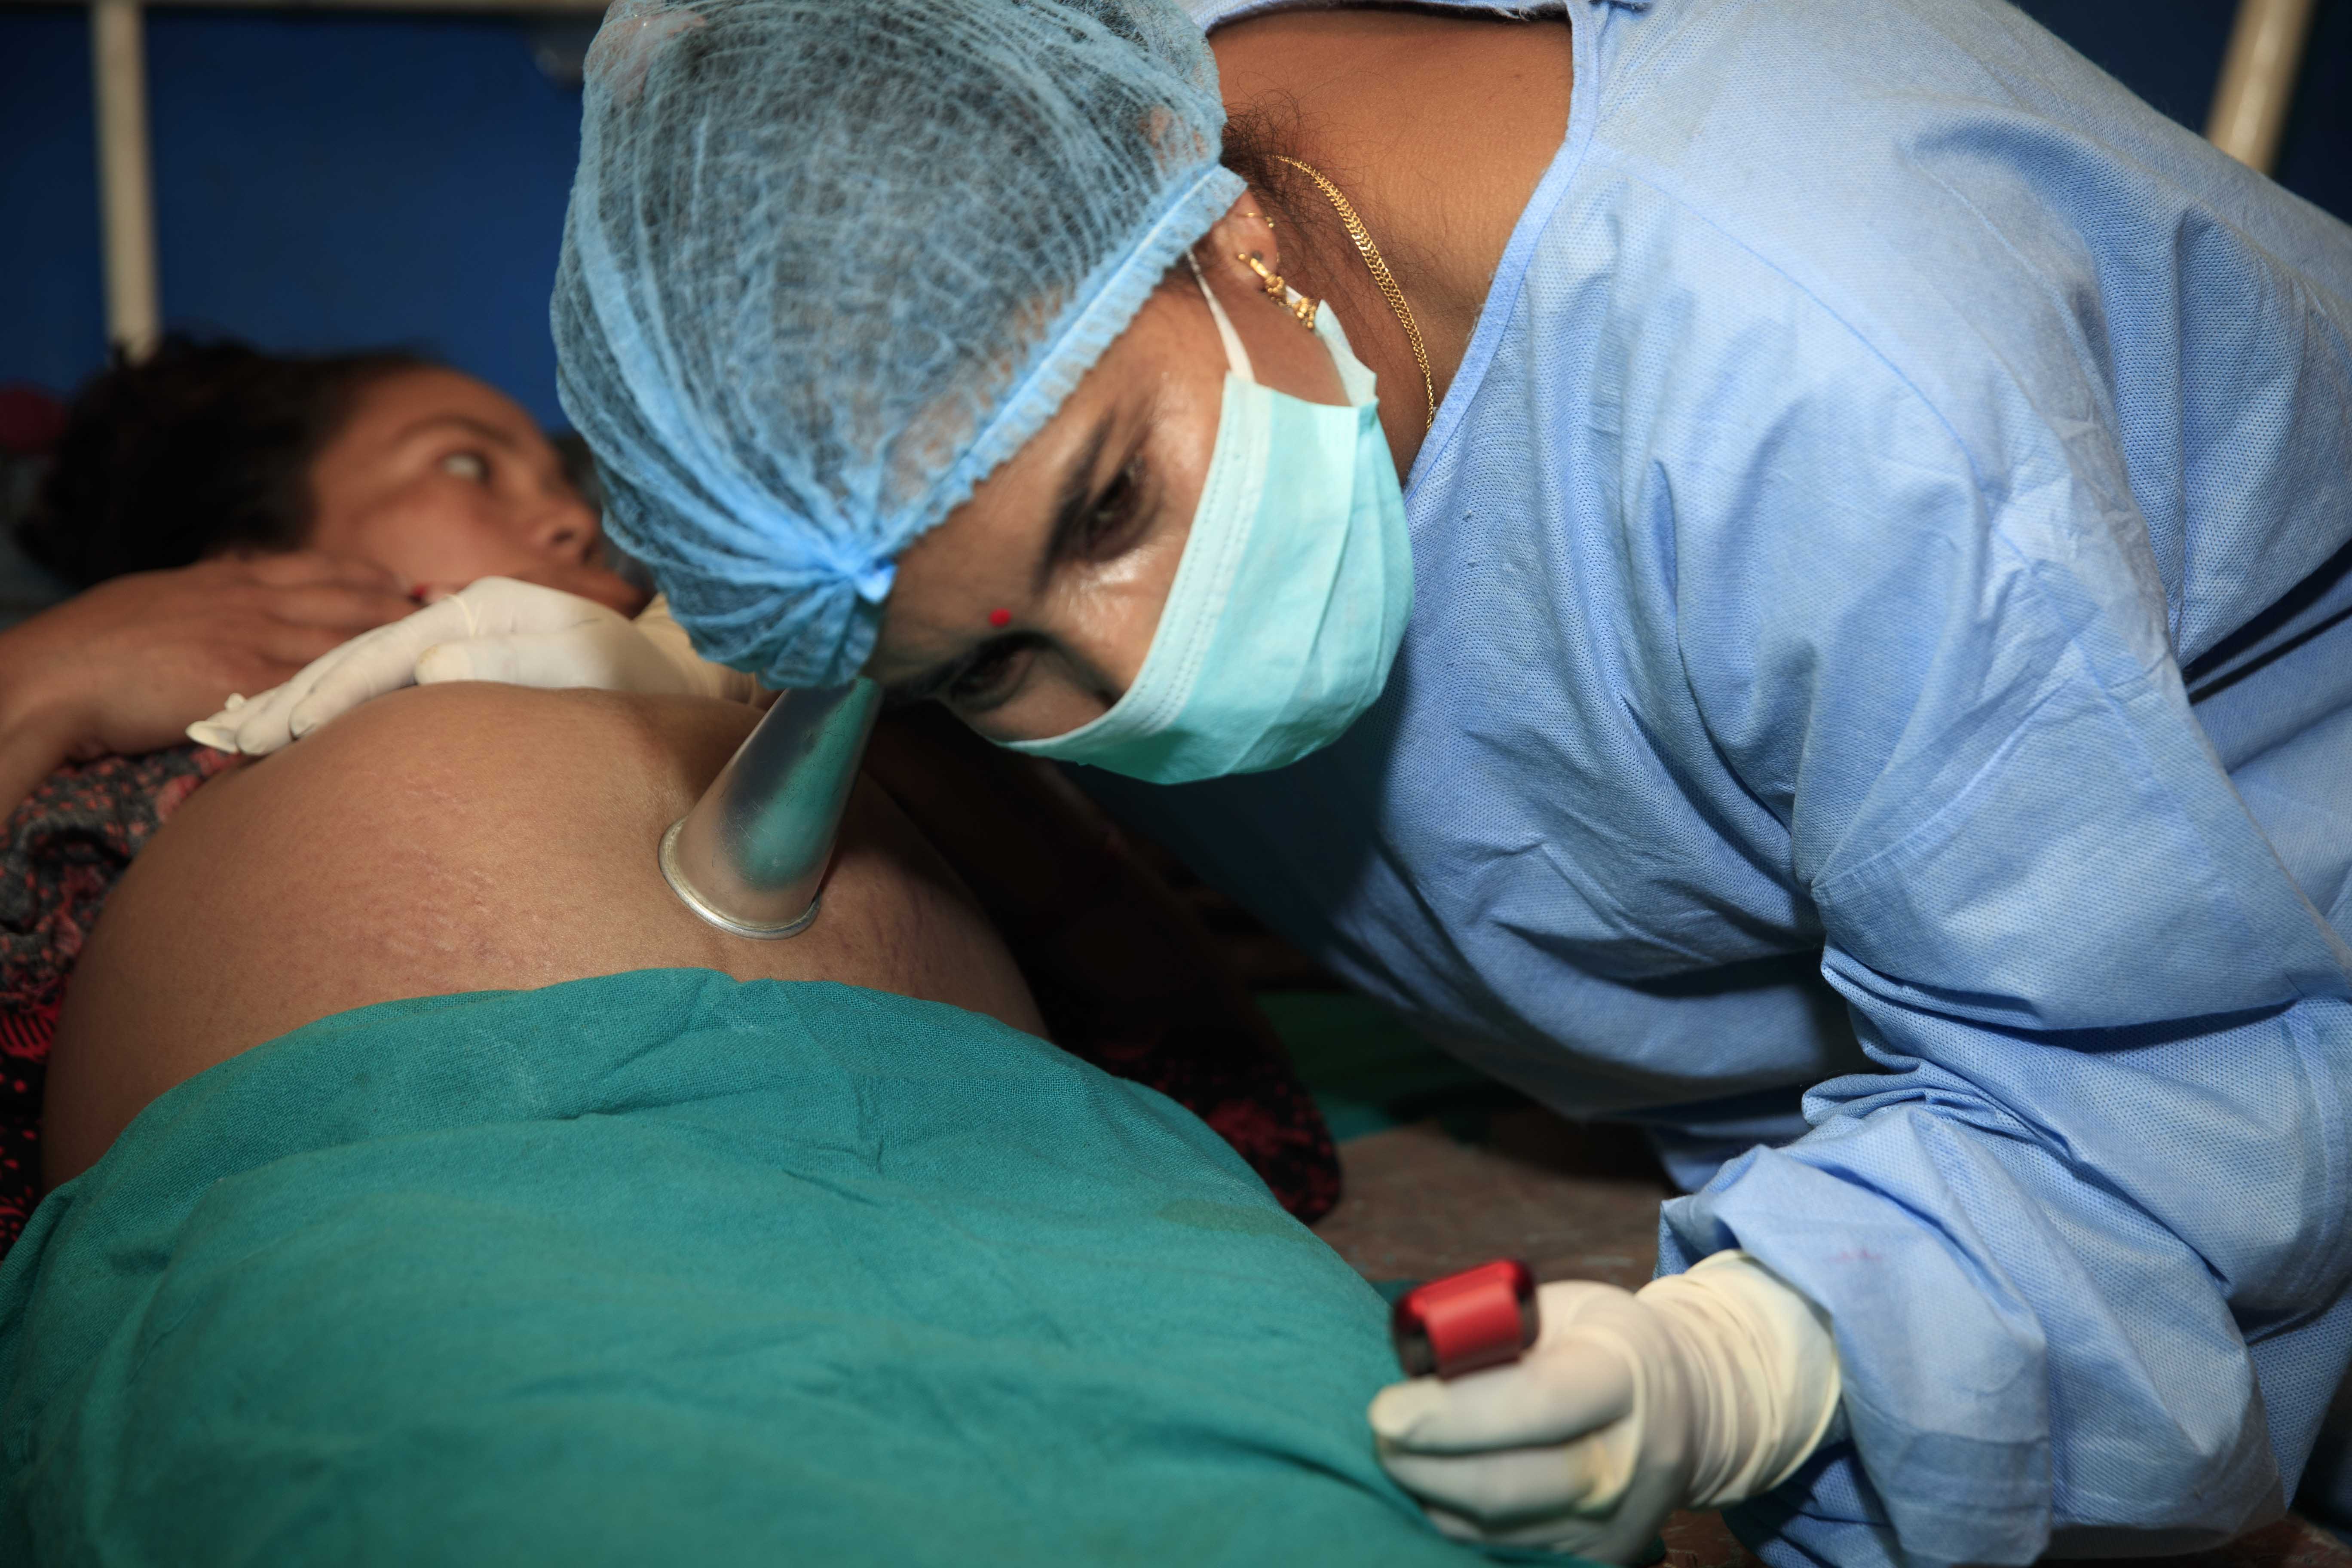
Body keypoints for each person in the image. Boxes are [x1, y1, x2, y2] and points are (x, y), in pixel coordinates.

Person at [254, 0, 2347, 1562]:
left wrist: (1768, 1353)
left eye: (1113, 511)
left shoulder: (1821, 371)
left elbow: (2154, 1096)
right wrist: (672, 666)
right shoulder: (1060, 253)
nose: (1139, 670)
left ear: (1239, 237)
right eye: (989, 667)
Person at [0, 338, 1339, 1243]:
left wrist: (897, 691)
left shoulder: (808, 730)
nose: (575, 518)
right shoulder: (124, 784)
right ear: (246, 564)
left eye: (563, 474)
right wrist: (46, 673)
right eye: (469, 465)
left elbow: (1249, 1133)